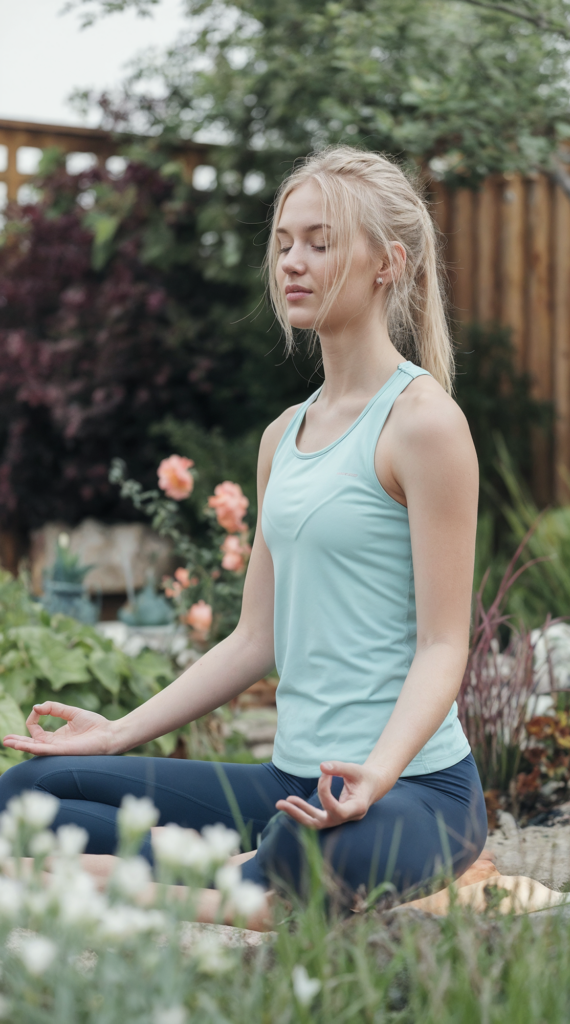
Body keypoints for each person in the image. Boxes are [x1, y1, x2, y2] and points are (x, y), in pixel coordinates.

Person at [0, 146, 486, 922]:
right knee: (28, 793)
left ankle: (122, 879)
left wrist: (375, 774)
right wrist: (116, 733)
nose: (294, 262)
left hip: (415, 795)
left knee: (301, 854)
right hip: (285, 786)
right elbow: (253, 638)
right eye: (286, 243)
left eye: (320, 243)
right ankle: (229, 869)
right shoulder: (283, 437)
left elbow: (443, 646)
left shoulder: (423, 425)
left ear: (387, 263)